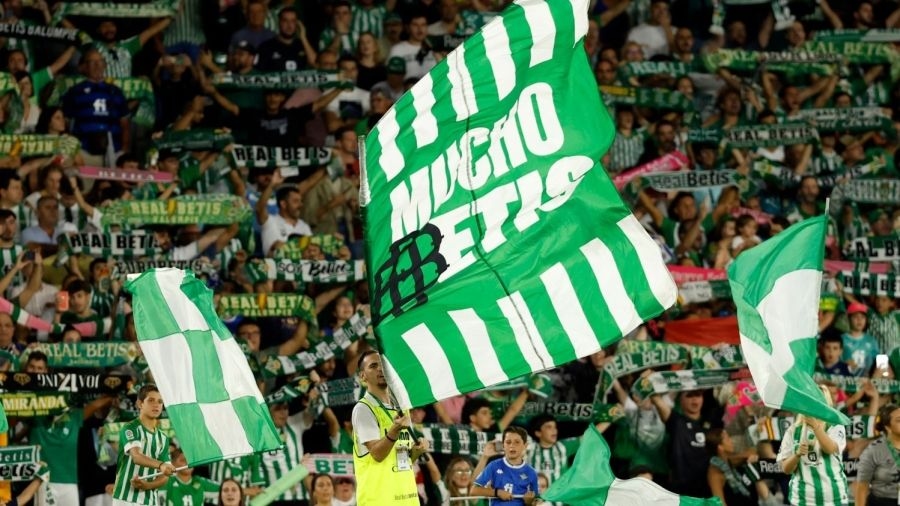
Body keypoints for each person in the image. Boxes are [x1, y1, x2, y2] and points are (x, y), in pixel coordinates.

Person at [351, 350, 426, 505]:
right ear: (362, 376)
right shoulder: (363, 409)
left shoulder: (402, 408)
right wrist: (394, 430)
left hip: (407, 499)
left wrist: (416, 452)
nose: (381, 369)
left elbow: (401, 460)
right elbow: (377, 455)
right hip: (379, 500)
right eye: (373, 366)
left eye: (383, 365)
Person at [775, 385, 849, 506]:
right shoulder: (793, 431)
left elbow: (830, 449)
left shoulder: (835, 425)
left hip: (834, 498)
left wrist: (816, 427)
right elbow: (786, 469)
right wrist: (796, 455)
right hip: (801, 500)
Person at [111, 384, 176, 506]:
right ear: (140, 404)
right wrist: (161, 465)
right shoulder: (130, 428)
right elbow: (137, 457)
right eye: (151, 400)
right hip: (125, 499)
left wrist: (148, 485)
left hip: (150, 501)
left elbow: (165, 475)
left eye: (160, 401)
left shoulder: (163, 437)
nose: (156, 404)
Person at [470, 425, 539, 505]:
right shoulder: (493, 466)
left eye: (517, 442)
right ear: (503, 445)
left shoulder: (531, 472)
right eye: (508, 442)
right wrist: (497, 492)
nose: (512, 446)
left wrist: (529, 502)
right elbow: (474, 490)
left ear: (525, 445)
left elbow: (535, 502)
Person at [857, 403, 900, 506]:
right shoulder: (874, 450)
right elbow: (862, 488)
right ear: (887, 427)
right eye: (899, 420)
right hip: (882, 502)